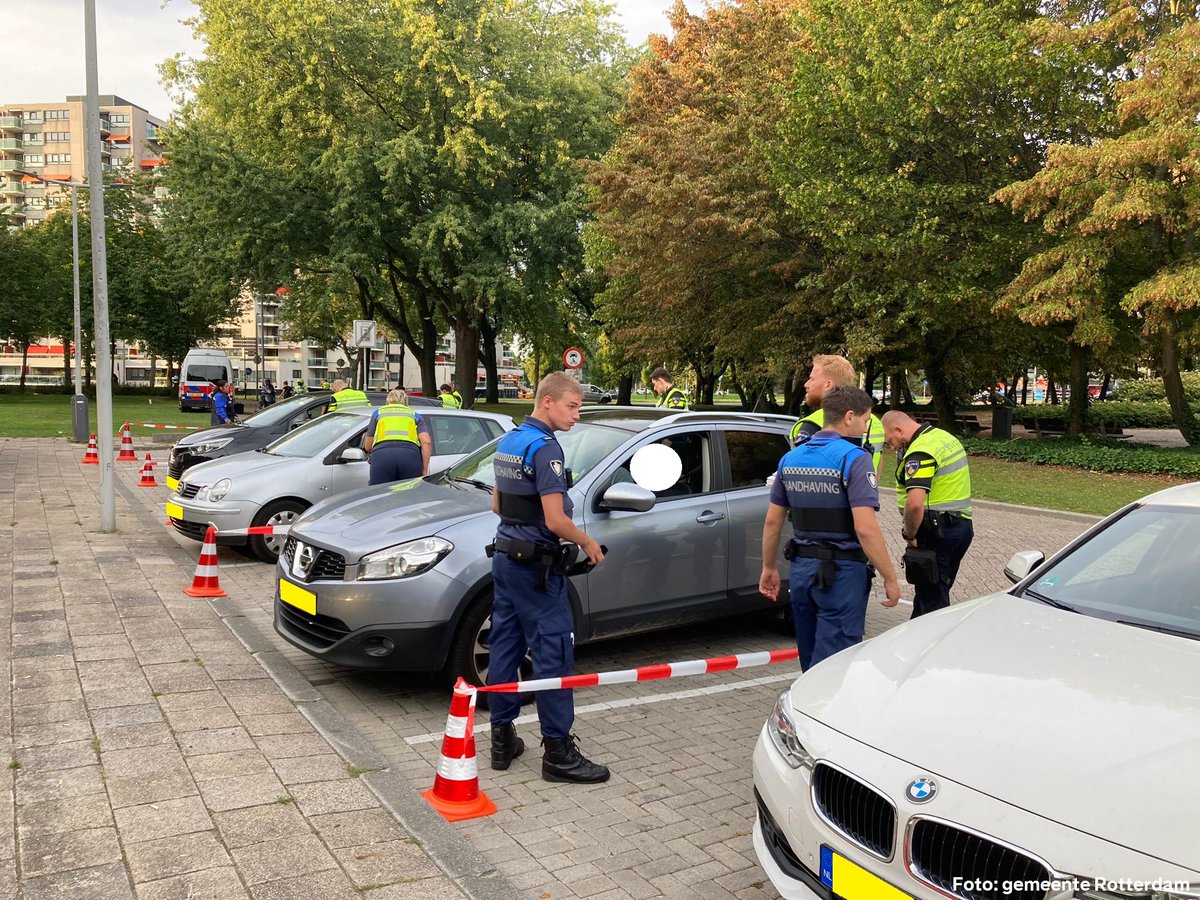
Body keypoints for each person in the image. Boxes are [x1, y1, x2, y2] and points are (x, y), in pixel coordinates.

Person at [488, 372, 609, 783]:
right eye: (571, 406)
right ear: (547, 403)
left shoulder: (509, 441)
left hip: (505, 559)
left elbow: (496, 505)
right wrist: (589, 543)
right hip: (536, 569)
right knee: (554, 652)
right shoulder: (545, 449)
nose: (577, 415)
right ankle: (558, 753)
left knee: (505, 646)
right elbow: (557, 520)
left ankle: (502, 740)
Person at [760, 385, 901, 671]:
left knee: (809, 659)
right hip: (841, 576)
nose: (865, 427)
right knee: (834, 666)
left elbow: (773, 520)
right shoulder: (854, 459)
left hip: (801, 572)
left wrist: (768, 568)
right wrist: (890, 577)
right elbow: (866, 529)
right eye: (865, 420)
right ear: (849, 417)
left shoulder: (791, 459)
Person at [881, 410, 974, 618]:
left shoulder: (920, 452)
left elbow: (914, 504)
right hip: (960, 528)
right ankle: (913, 638)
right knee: (931, 590)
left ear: (899, 429)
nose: (892, 446)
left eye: (890, 440)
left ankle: (933, 645)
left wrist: (911, 534)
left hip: (935, 532)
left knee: (933, 603)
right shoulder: (943, 437)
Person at [790, 355, 885, 476]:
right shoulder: (874, 421)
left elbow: (798, 472)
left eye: (812, 379)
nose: (806, 384)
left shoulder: (813, 423)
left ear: (828, 384)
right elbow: (878, 464)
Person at [363, 389, 431, 485]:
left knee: (379, 493)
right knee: (409, 494)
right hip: (409, 456)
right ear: (406, 401)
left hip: (382, 456)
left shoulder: (378, 413)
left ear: (388, 400)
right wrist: (424, 469)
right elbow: (426, 442)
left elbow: (368, 446)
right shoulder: (414, 415)